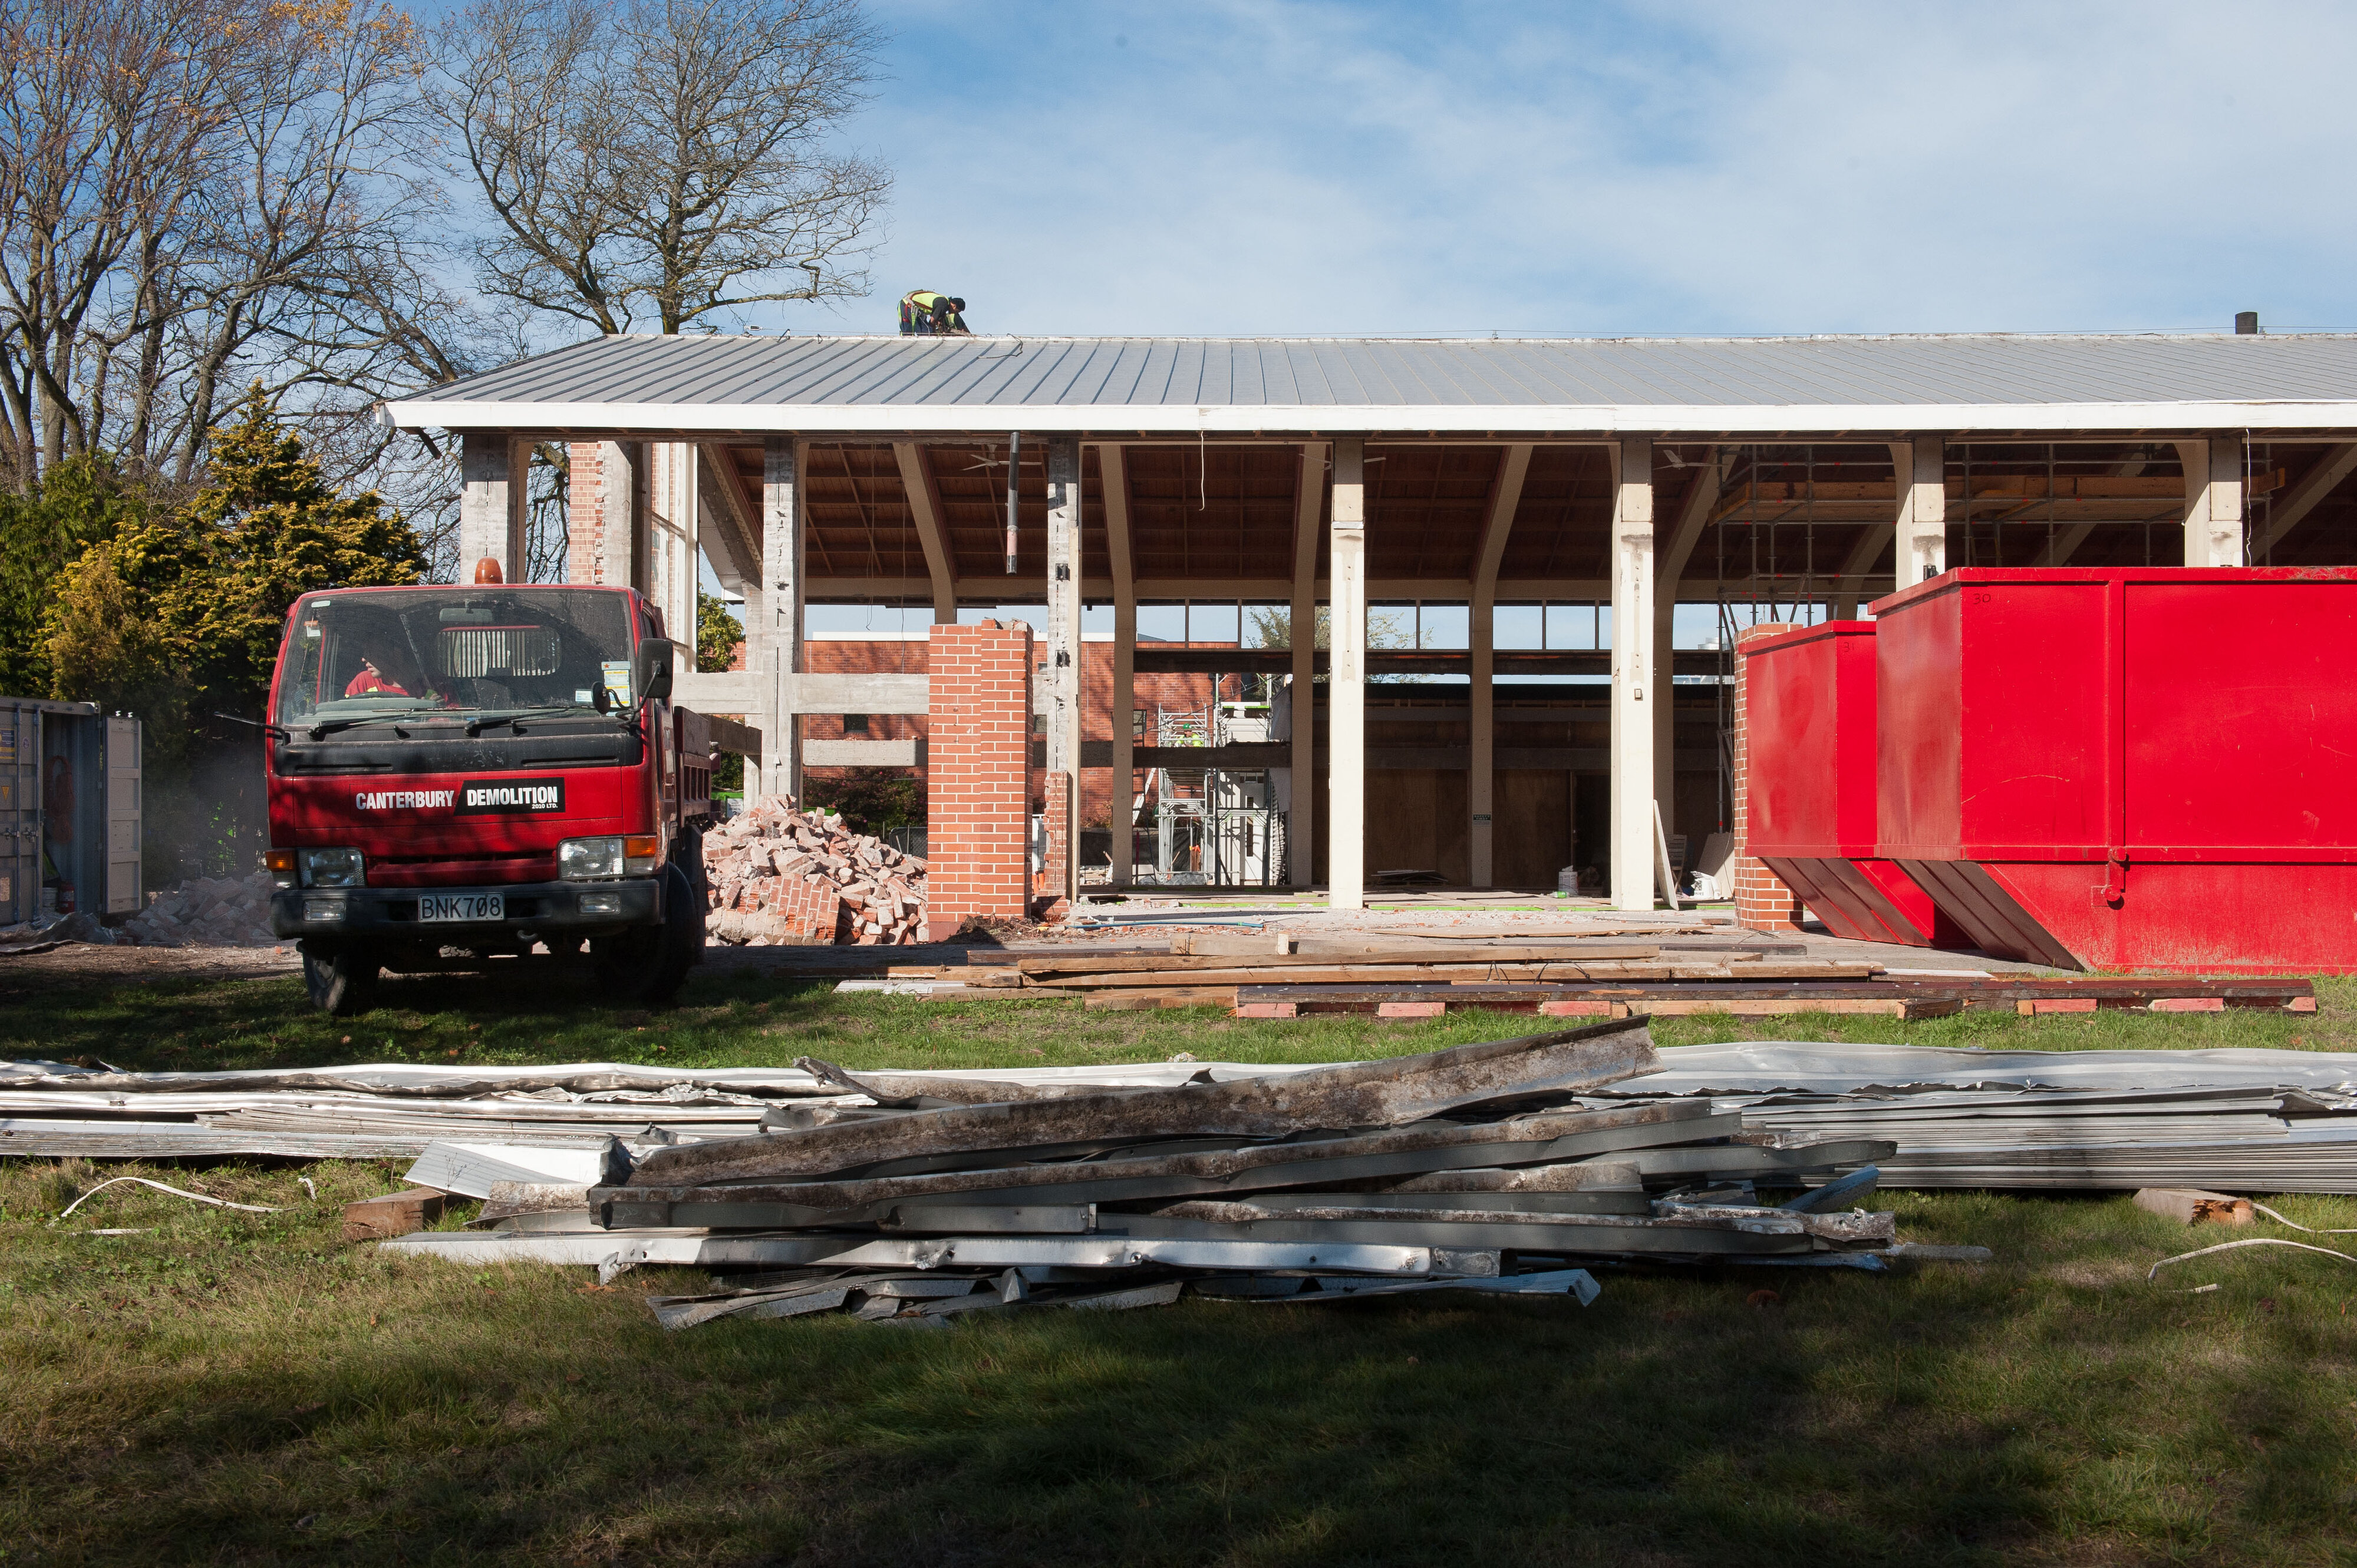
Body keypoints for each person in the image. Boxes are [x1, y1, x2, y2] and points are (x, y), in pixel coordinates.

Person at [898, 291, 970, 336]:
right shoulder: (944, 304)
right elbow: (932, 321)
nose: (955, 314)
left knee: (907, 336)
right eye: (957, 312)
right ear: (954, 306)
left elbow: (937, 322)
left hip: (904, 304)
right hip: (910, 306)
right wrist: (935, 335)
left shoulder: (943, 302)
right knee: (928, 333)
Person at [345, 655, 410, 698]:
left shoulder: (416, 688)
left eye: (371, 652)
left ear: (396, 653)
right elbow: (347, 710)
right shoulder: (364, 680)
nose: (363, 659)